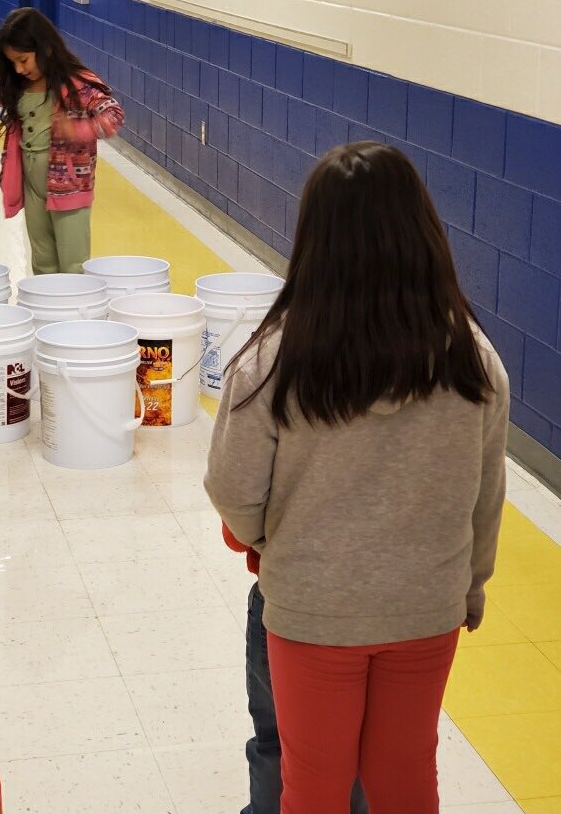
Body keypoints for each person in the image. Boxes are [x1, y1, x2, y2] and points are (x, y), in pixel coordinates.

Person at [205, 141, 509, 814]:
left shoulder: (273, 360)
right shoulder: (475, 362)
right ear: (422, 234)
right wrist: (471, 587)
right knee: (404, 779)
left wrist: (270, 541)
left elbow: (231, 486)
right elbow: (485, 499)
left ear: (315, 239)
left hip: (313, 607)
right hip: (427, 605)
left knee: (312, 782)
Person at [222, 522, 368, 814]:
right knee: (363, 741)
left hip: (288, 600)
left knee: (276, 736)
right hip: (378, 603)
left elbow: (236, 530)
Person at [0, 7, 124, 275]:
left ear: (46, 49)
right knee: (42, 260)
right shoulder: (21, 87)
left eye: (24, 60)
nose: (19, 69)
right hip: (32, 185)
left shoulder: (78, 84)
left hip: (70, 187)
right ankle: (47, 311)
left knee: (73, 262)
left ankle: (75, 312)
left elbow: (113, 116)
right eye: (13, 63)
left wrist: (78, 130)